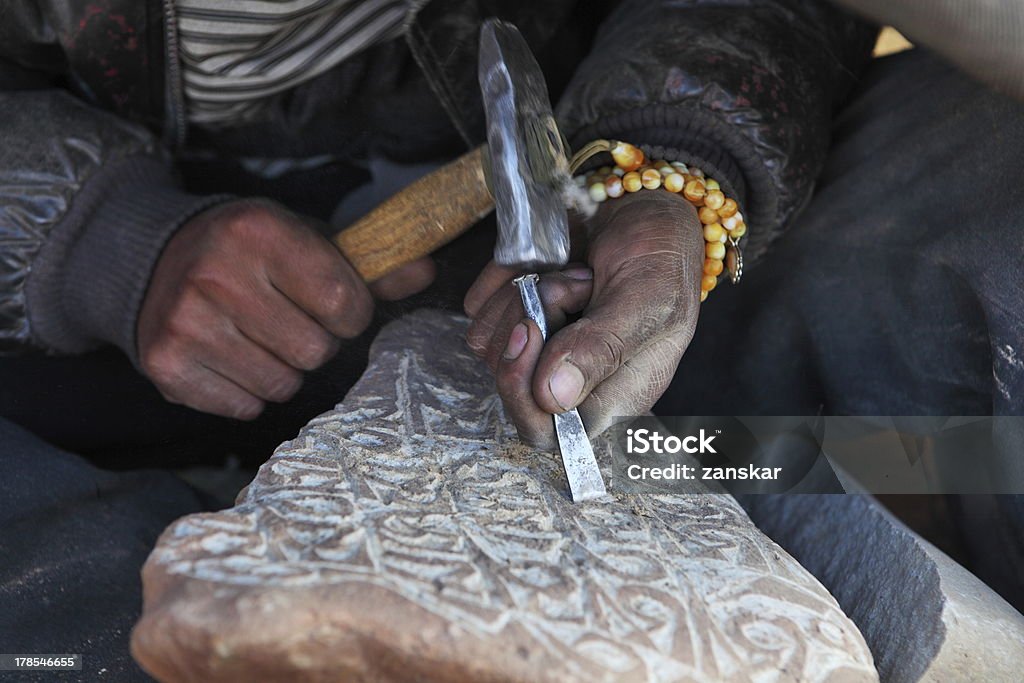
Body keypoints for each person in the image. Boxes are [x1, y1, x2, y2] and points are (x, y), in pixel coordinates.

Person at [0, 0, 1021, 678]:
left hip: (580, 192)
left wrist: (674, 167)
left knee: (989, 192)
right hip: (70, 316)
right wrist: (85, 235)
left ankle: (867, 532)